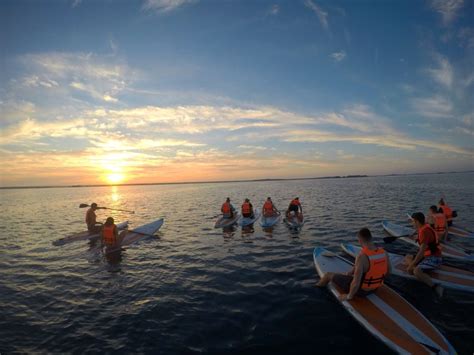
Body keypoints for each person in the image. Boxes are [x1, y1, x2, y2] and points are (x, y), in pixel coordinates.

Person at [316, 228, 390, 301]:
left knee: (328, 275)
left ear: (360, 240)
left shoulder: (362, 257)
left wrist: (349, 296)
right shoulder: (384, 252)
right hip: (375, 288)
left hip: (362, 291)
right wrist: (351, 272)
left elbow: (356, 282)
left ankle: (316, 290)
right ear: (371, 238)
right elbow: (388, 271)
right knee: (354, 274)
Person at [405, 212, 444, 297]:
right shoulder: (424, 227)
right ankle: (419, 270)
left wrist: (411, 265)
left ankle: (435, 287)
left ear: (417, 222)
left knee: (416, 271)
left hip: (435, 258)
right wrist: (414, 237)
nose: (412, 223)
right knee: (407, 257)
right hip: (427, 256)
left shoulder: (424, 231)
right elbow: (424, 239)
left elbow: (421, 252)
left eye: (413, 221)